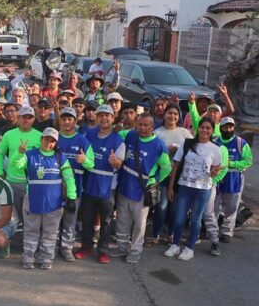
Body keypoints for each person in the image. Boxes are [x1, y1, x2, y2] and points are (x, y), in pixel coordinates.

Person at [11, 128, 77, 269]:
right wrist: (20, 152)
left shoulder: (60, 157)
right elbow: (17, 164)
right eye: (46, 139)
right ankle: (28, 257)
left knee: (50, 233)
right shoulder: (30, 154)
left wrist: (72, 197)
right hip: (32, 200)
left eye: (52, 141)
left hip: (54, 203)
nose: (49, 143)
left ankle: (46, 259)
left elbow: (69, 177)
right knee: (31, 231)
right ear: (41, 139)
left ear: (56, 143)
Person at [111, 113, 172, 264]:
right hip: (124, 185)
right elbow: (116, 133)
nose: (142, 128)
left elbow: (166, 167)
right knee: (122, 220)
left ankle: (135, 251)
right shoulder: (130, 135)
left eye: (146, 125)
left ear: (152, 126)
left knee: (139, 223)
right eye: (140, 124)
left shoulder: (159, 145)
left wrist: (154, 181)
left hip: (142, 191)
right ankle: (122, 247)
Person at [165, 117, 223, 261]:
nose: (205, 130)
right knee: (179, 218)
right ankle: (175, 245)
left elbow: (215, 169)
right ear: (198, 128)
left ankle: (190, 248)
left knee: (195, 220)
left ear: (212, 131)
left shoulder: (216, 149)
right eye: (202, 127)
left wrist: (214, 172)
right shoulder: (187, 144)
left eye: (208, 128)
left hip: (202, 190)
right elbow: (176, 166)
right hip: (184, 187)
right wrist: (171, 187)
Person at [74, 105, 125, 264]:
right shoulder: (89, 134)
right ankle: (86, 247)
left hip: (108, 187)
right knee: (87, 219)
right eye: (101, 115)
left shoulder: (118, 140)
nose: (104, 118)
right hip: (89, 184)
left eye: (107, 115)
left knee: (106, 221)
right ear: (97, 117)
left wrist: (116, 162)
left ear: (113, 118)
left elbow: (119, 163)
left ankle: (103, 251)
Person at [203, 116, 253, 253]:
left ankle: (226, 231)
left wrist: (232, 164)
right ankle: (211, 230)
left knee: (231, 206)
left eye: (231, 127)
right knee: (212, 206)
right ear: (220, 128)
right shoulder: (215, 141)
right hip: (217, 178)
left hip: (233, 178)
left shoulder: (240, 143)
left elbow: (248, 161)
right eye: (225, 127)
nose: (228, 129)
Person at [150, 103, 193, 244]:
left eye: (175, 113)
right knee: (161, 207)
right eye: (169, 113)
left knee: (175, 208)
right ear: (164, 115)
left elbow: (193, 151)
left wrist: (179, 150)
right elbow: (152, 154)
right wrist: (167, 151)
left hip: (180, 176)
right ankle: (156, 234)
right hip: (162, 175)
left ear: (179, 116)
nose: (172, 116)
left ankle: (171, 233)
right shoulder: (157, 133)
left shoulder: (184, 133)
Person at [56, 107, 94, 262]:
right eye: (63, 119)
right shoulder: (54, 138)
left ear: (75, 121)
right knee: (53, 219)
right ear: (59, 120)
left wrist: (84, 160)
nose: (66, 122)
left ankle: (66, 248)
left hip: (75, 187)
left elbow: (91, 165)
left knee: (70, 219)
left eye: (69, 119)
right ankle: (52, 247)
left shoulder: (82, 140)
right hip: (54, 186)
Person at [0, 105, 42, 227]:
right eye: (24, 117)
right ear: (18, 117)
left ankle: (29, 234)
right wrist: (0, 171)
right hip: (13, 181)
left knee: (30, 215)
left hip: (32, 182)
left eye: (30, 117)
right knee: (14, 215)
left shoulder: (40, 136)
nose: (26, 120)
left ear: (34, 119)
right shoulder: (9, 134)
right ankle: (16, 233)